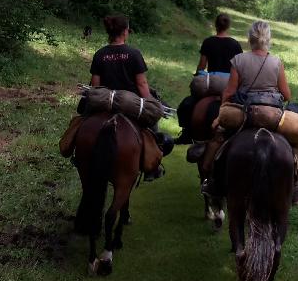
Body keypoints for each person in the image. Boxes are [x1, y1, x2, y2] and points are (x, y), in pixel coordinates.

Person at [201, 20, 298, 205]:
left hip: (245, 114)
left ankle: (212, 180)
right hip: (273, 116)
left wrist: (222, 110)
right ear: (268, 39)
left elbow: (230, 91)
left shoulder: (239, 60)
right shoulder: (276, 62)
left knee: (219, 136)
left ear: (249, 38)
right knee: (296, 143)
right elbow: (286, 95)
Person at [88, 14, 169, 180]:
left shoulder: (99, 54)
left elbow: (95, 85)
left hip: (105, 102)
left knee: (84, 120)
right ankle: (151, 167)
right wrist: (151, 103)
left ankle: (78, 155)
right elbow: (141, 85)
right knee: (152, 127)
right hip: (130, 104)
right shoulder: (134, 54)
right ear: (125, 32)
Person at [176, 14, 243, 145]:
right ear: (228, 26)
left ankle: (186, 133)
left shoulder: (208, 42)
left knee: (188, 104)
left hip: (210, 83)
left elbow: (202, 66)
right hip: (229, 84)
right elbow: (239, 68)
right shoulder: (235, 44)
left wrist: (198, 75)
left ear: (216, 25)